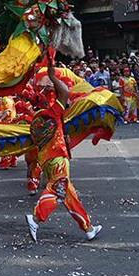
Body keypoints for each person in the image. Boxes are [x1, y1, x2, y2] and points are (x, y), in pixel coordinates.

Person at [25, 62, 102, 243]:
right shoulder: (50, 113)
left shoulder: (35, 120)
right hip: (57, 158)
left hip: (47, 161)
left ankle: (88, 228)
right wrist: (53, 76)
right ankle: (35, 218)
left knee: (69, 194)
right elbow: (66, 93)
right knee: (58, 190)